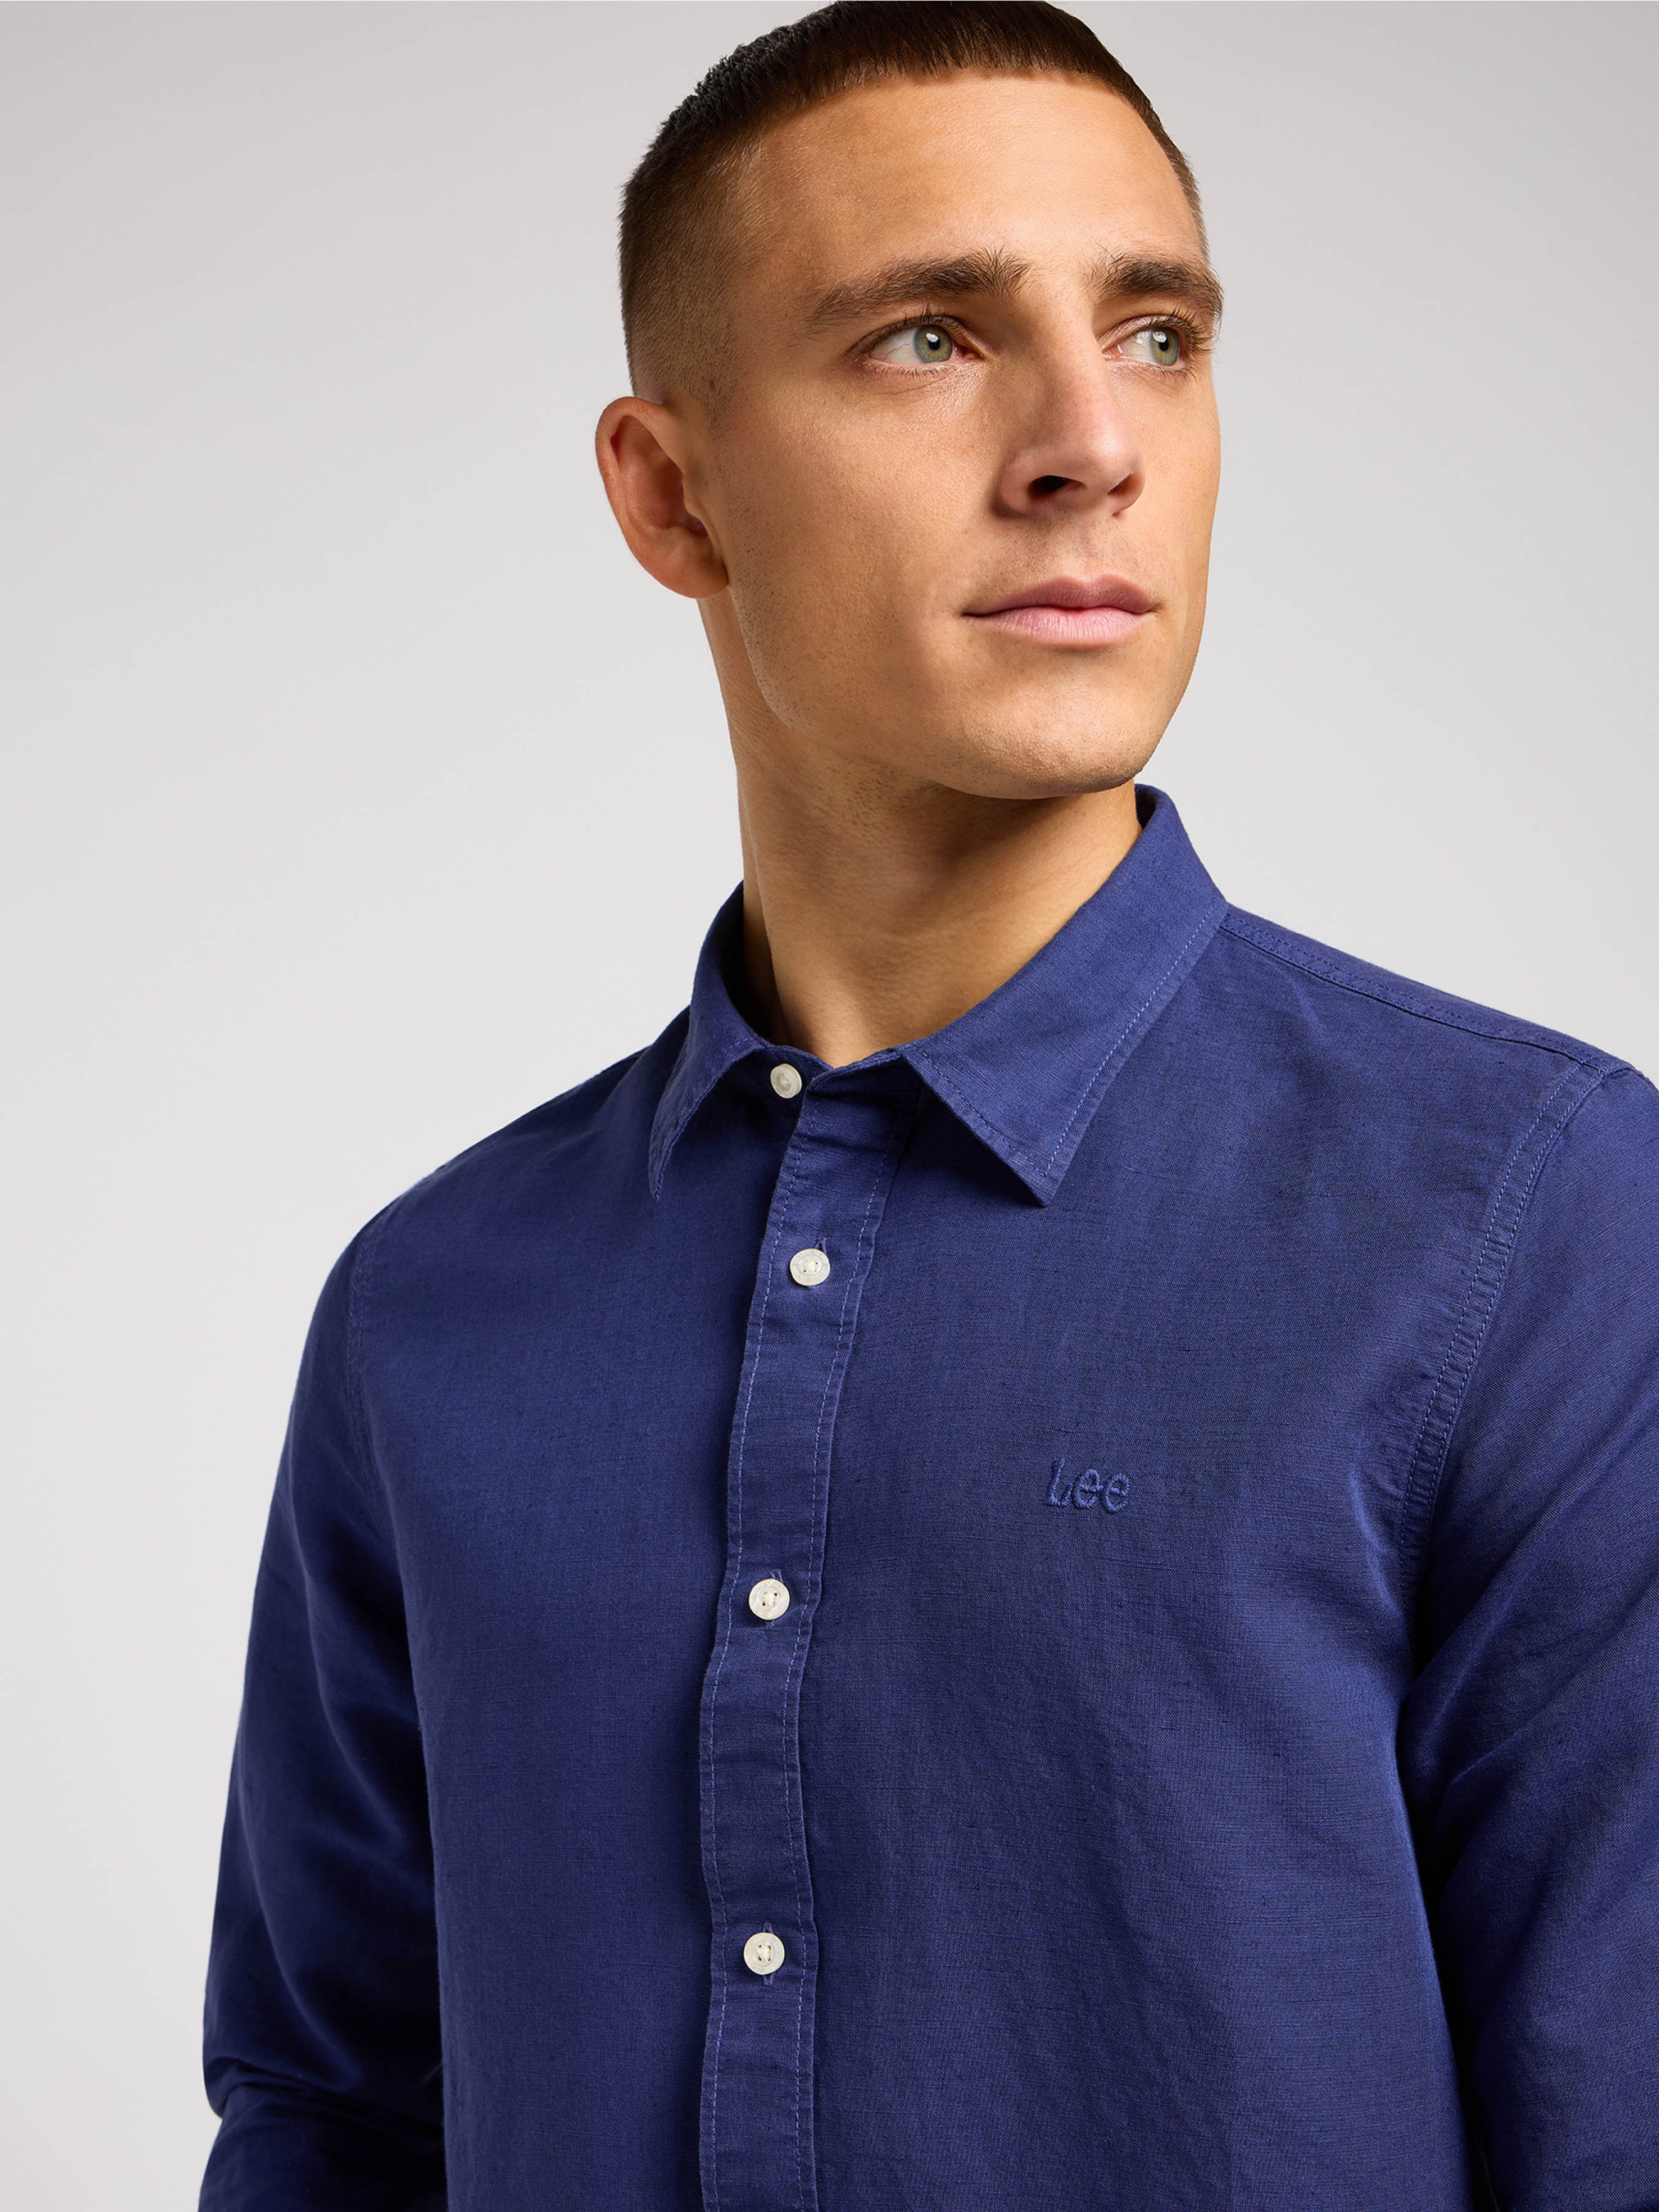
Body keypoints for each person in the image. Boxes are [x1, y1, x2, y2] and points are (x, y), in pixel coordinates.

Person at [198, 7, 1659, 2208]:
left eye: (1156, 334)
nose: (1091, 443)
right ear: (669, 492)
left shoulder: (1530, 1216)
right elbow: (327, 2120)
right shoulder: (432, 1308)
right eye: (928, 339)